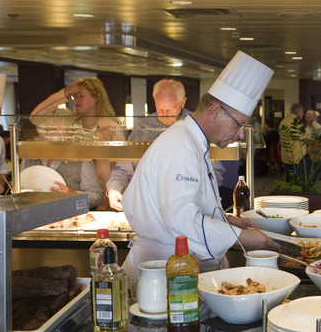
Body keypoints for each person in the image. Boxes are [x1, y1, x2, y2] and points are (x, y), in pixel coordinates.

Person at [122, 51, 279, 289]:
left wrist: (227, 221)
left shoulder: (193, 141)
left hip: (178, 266)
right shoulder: (180, 145)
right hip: (164, 274)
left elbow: (188, 205)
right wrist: (240, 238)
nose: (239, 133)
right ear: (215, 111)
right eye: (239, 124)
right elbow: (181, 220)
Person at [106, 79, 225, 211]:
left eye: (169, 110)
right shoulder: (143, 127)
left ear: (183, 102)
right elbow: (124, 168)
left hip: (189, 206)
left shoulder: (199, 126)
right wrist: (114, 187)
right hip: (148, 207)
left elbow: (216, 173)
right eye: (159, 109)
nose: (163, 115)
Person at [31, 77, 126, 205]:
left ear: (96, 98)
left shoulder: (110, 128)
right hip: (78, 198)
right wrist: (62, 95)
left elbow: (122, 167)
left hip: (107, 197)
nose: (76, 100)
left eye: (81, 96)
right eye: (74, 96)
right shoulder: (70, 124)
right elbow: (35, 117)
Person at [22, 108, 104, 208]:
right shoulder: (29, 159)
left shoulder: (81, 160)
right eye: (57, 132)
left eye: (68, 132)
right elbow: (19, 190)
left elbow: (98, 197)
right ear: (45, 132)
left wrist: (74, 194)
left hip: (69, 219)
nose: (64, 138)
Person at [279, 103, 307, 177]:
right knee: (296, 178)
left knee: (289, 177)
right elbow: (305, 136)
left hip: (286, 155)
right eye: (302, 112)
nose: (303, 114)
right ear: (297, 112)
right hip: (296, 156)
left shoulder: (283, 121)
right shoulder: (296, 123)